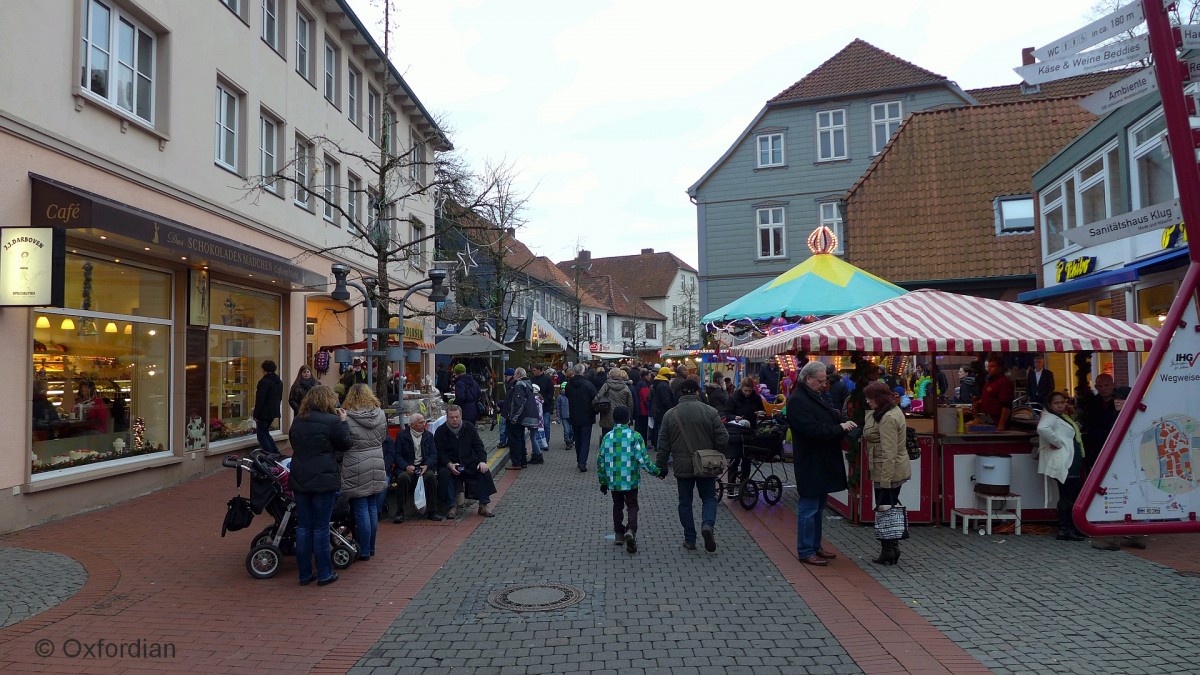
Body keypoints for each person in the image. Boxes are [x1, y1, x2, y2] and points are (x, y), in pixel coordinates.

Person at [787, 361, 857, 566]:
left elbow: (829, 418)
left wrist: (842, 422)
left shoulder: (815, 396)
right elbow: (812, 429)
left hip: (821, 460)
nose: (824, 384)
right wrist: (839, 428)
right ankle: (806, 550)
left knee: (818, 507)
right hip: (811, 461)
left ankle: (815, 546)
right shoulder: (798, 401)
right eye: (820, 381)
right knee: (808, 508)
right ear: (808, 379)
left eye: (824, 381)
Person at [288, 385, 352, 586]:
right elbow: (345, 444)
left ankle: (305, 574)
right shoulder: (332, 421)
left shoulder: (298, 421)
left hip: (300, 477)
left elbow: (293, 442)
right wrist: (344, 423)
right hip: (323, 478)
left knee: (304, 527)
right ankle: (324, 573)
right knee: (321, 528)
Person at [656, 378, 729, 552]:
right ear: (698, 392)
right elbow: (723, 438)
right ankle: (707, 525)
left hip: (682, 466)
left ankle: (690, 539)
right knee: (709, 498)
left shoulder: (670, 414)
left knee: (685, 503)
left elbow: (663, 444)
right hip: (706, 463)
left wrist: (661, 467)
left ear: (681, 392)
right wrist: (714, 449)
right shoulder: (710, 411)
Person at [597, 406, 660, 554]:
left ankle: (619, 534)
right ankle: (631, 530)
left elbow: (600, 461)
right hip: (631, 478)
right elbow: (643, 460)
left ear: (614, 419)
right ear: (628, 420)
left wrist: (603, 481)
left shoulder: (607, 437)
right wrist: (656, 472)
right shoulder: (635, 436)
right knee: (632, 505)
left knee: (617, 505)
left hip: (613, 480)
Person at [862, 381, 910, 565]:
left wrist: (885, 481)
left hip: (887, 470)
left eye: (870, 398)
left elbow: (889, 452)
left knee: (885, 510)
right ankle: (891, 548)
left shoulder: (889, 417)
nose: (867, 401)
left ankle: (889, 550)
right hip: (889, 468)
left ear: (878, 398)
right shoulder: (890, 412)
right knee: (887, 509)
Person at [339, 383, 388, 562]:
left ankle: (364, 550)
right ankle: (371, 547)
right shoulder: (380, 414)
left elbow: (344, 441)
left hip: (355, 463)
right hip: (376, 460)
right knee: (372, 507)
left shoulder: (346, 416)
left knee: (360, 508)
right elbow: (383, 437)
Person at [1036, 391, 1088, 543]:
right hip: (1066, 463)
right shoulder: (1051, 417)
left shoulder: (1061, 417)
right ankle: (1066, 528)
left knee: (1069, 495)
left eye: (1062, 402)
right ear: (1050, 405)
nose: (1060, 405)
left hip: (1071, 462)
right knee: (1068, 496)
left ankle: (1067, 527)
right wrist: (1057, 442)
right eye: (1056, 403)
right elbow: (1042, 429)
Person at [434, 405, 497, 518]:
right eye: (451, 417)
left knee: (483, 471)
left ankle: (483, 505)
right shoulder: (440, 431)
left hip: (468, 462)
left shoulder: (469, 427)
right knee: (445, 474)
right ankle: (451, 506)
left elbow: (479, 446)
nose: (454, 419)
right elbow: (440, 453)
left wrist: (482, 461)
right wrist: (449, 464)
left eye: (457, 417)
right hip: (451, 463)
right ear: (446, 417)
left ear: (461, 416)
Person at [390, 412, 443, 522]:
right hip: (408, 467)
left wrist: (427, 465)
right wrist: (406, 467)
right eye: (421, 422)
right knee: (403, 478)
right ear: (412, 425)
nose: (424, 424)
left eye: (424, 421)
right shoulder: (402, 436)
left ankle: (432, 511)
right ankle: (400, 512)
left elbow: (433, 454)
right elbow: (397, 455)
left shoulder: (428, 435)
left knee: (430, 477)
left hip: (423, 466)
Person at [1079, 373, 1117, 478]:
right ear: (1096, 387)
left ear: (1113, 385)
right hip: (1096, 446)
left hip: (1115, 444)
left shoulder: (1120, 400)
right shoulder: (1092, 403)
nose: (1103, 389)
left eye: (1106, 385)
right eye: (1100, 386)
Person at [565, 364, 599, 472]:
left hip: (574, 415)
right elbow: (596, 398)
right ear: (583, 372)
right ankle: (582, 462)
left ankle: (579, 459)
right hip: (587, 415)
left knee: (578, 439)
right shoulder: (588, 385)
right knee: (585, 440)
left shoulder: (568, 385)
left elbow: (567, 396)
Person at [503, 367, 537, 469]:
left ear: (518, 375)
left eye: (514, 374)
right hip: (521, 417)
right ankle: (522, 461)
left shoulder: (518, 385)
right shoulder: (527, 384)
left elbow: (517, 403)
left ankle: (517, 462)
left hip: (515, 418)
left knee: (515, 440)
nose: (513, 376)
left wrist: (513, 417)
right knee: (520, 439)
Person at [972, 355, 1013, 431]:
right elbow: (989, 397)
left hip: (996, 422)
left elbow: (1006, 406)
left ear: (1000, 368)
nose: (989, 369)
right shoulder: (989, 381)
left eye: (993, 366)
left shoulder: (1004, 382)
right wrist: (978, 402)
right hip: (986, 420)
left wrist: (1001, 425)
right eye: (988, 366)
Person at [252, 360, 283, 455]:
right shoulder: (279, 382)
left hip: (264, 412)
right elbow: (279, 397)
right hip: (273, 411)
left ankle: (270, 454)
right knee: (265, 432)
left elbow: (260, 399)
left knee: (261, 434)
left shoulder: (264, 382)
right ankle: (275, 452)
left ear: (264, 369)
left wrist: (255, 414)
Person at [595, 367, 635, 439]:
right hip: (622, 417)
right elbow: (630, 404)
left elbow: (598, 397)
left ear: (610, 375)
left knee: (607, 437)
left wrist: (595, 409)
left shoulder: (606, 385)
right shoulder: (626, 387)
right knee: (621, 438)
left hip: (607, 416)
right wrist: (629, 416)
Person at [649, 367, 677, 449]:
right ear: (666, 375)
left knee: (658, 429)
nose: (670, 376)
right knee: (661, 431)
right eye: (669, 375)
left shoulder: (658, 383)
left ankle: (657, 447)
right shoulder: (663, 385)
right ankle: (660, 448)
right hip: (662, 412)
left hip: (658, 410)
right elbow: (666, 400)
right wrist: (671, 409)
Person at [556, 382, 574, 451]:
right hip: (564, 416)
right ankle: (567, 442)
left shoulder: (572, 396)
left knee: (572, 430)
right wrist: (558, 417)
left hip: (571, 416)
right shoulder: (560, 397)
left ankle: (571, 439)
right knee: (566, 430)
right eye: (562, 389)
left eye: (565, 389)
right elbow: (558, 407)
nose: (563, 390)